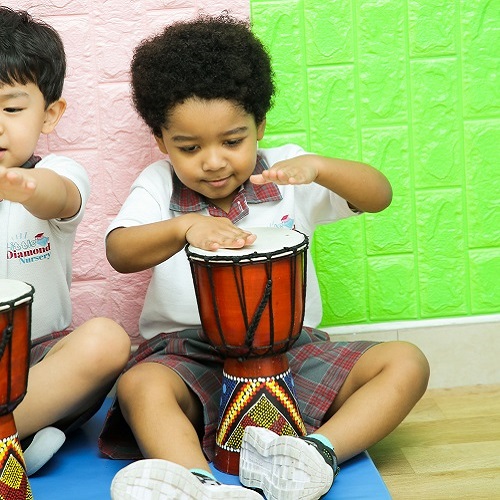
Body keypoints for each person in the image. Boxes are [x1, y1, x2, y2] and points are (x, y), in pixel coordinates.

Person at [100, 14, 430, 500]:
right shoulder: (158, 184)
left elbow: (379, 195)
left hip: (291, 348)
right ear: (160, 142)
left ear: (260, 126)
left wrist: (319, 167)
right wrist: (183, 226)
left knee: (407, 361)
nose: (213, 160)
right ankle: (198, 483)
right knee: (139, 386)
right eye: (189, 147)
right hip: (192, 355)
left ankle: (313, 457)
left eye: (233, 141)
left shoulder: (286, 171)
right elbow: (119, 252)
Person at [0, 7, 131, 476]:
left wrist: (22, 186)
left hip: (40, 364)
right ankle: (19, 443)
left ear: (50, 114)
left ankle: (14, 435)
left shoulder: (56, 175)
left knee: (107, 341)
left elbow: (59, 198)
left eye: (11, 108)